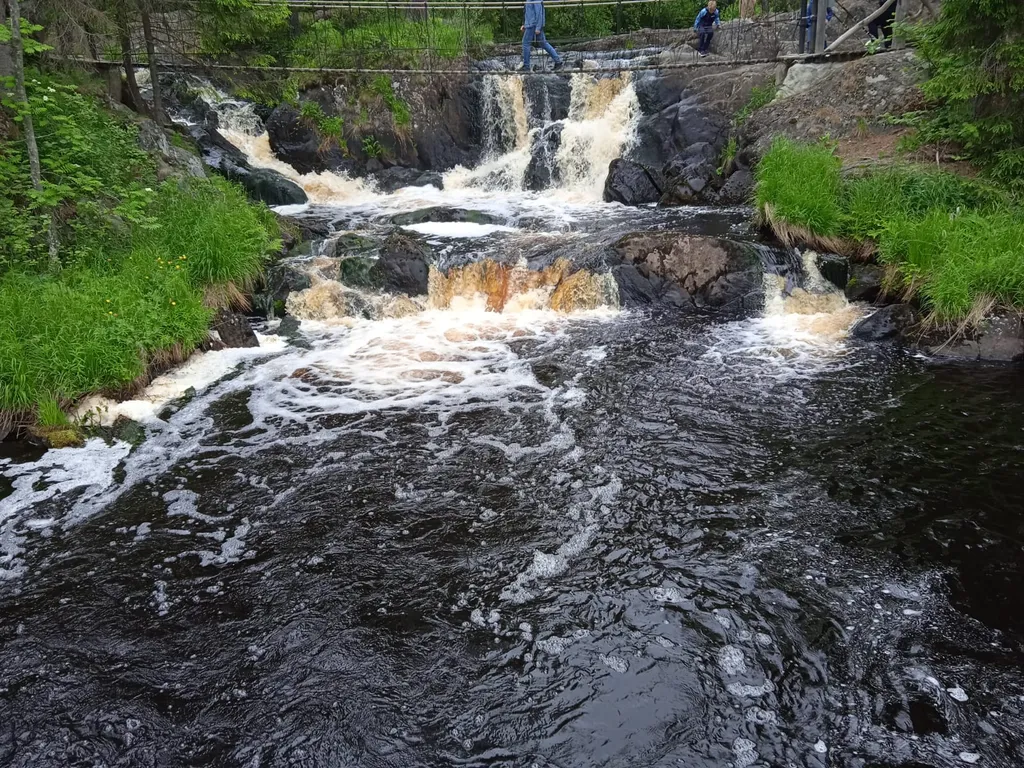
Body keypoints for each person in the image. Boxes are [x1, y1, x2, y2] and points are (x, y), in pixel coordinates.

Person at [521, 0, 563, 72]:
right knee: (543, 43)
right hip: (531, 24)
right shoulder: (530, 0)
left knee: (526, 43)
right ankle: (558, 61)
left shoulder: (535, 0)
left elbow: (539, 13)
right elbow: (529, 14)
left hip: (533, 25)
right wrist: (525, 25)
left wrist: (538, 27)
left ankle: (526, 66)